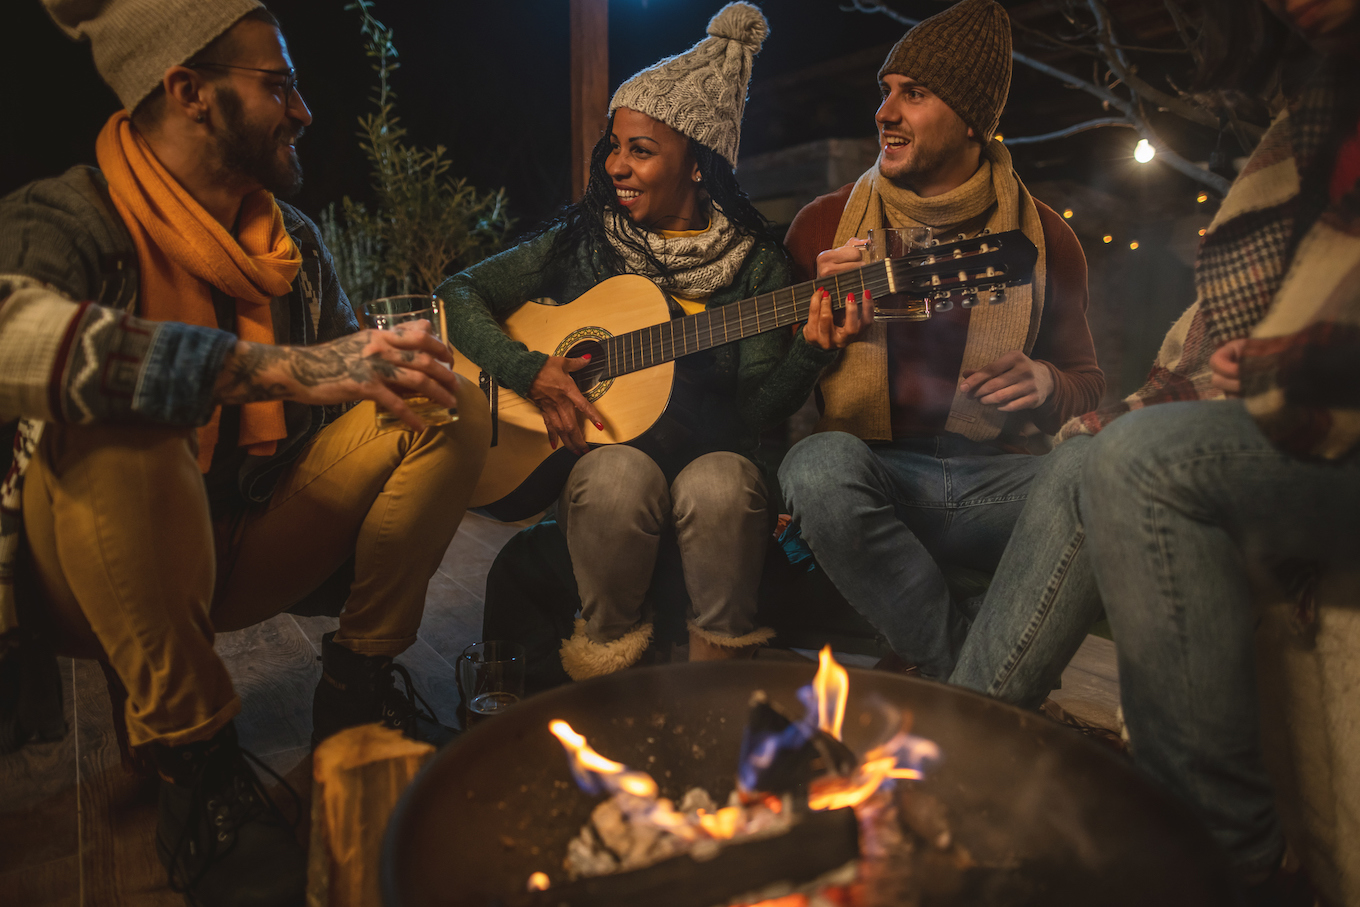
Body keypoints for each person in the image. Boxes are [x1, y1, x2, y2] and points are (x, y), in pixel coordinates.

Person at [0, 2, 490, 903]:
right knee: (126, 413)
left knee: (442, 392)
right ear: (189, 90)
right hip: (93, 572)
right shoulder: (69, 216)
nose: (303, 110)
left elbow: (352, 387)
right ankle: (201, 773)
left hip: (257, 535)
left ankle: (355, 696)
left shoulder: (291, 240)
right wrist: (273, 368)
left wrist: (385, 367)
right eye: (278, 85)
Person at [950, 0, 1359, 894]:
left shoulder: (1044, 239)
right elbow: (1219, 341)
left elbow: (1302, 331)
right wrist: (1116, 409)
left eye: (913, 94)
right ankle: (956, 753)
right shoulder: (1314, 114)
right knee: (1081, 456)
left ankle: (1225, 855)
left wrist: (1302, 361)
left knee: (1140, 463)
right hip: (1288, 410)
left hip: (1337, 424)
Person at [443, 2, 854, 680]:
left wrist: (813, 348)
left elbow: (757, 410)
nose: (615, 166)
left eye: (640, 150)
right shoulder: (586, 241)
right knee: (615, 475)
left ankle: (717, 679)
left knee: (721, 482)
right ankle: (609, 679)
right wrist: (527, 369)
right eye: (614, 146)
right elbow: (459, 293)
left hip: (713, 461)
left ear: (697, 165)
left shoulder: (756, 265)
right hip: (605, 463)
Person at [776, 0, 1103, 678]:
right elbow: (768, 395)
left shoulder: (1047, 238)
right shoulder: (822, 228)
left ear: (972, 120)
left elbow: (1085, 381)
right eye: (886, 91)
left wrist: (1049, 384)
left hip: (998, 484)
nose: (885, 112)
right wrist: (811, 343)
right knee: (816, 467)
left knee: (1099, 477)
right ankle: (974, 683)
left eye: (915, 94)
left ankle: (945, 671)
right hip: (877, 482)